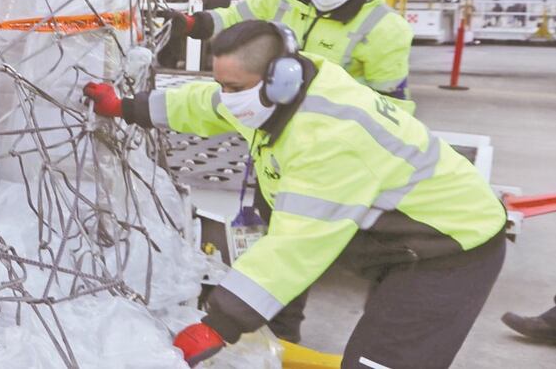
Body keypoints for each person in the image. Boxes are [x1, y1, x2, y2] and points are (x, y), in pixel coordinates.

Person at [85, 20, 508, 368]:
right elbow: (205, 104)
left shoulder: (329, 139)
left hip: (449, 249)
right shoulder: (271, 94)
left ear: (280, 80)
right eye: (224, 85)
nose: (227, 99)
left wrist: (220, 324)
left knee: (381, 362)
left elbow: (295, 247)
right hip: (399, 242)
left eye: (235, 89)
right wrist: (127, 107)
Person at [160, 0, 414, 110]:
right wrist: (194, 24)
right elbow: (239, 17)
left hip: (334, 132)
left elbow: (392, 104)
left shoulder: (386, 29)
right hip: (274, 113)